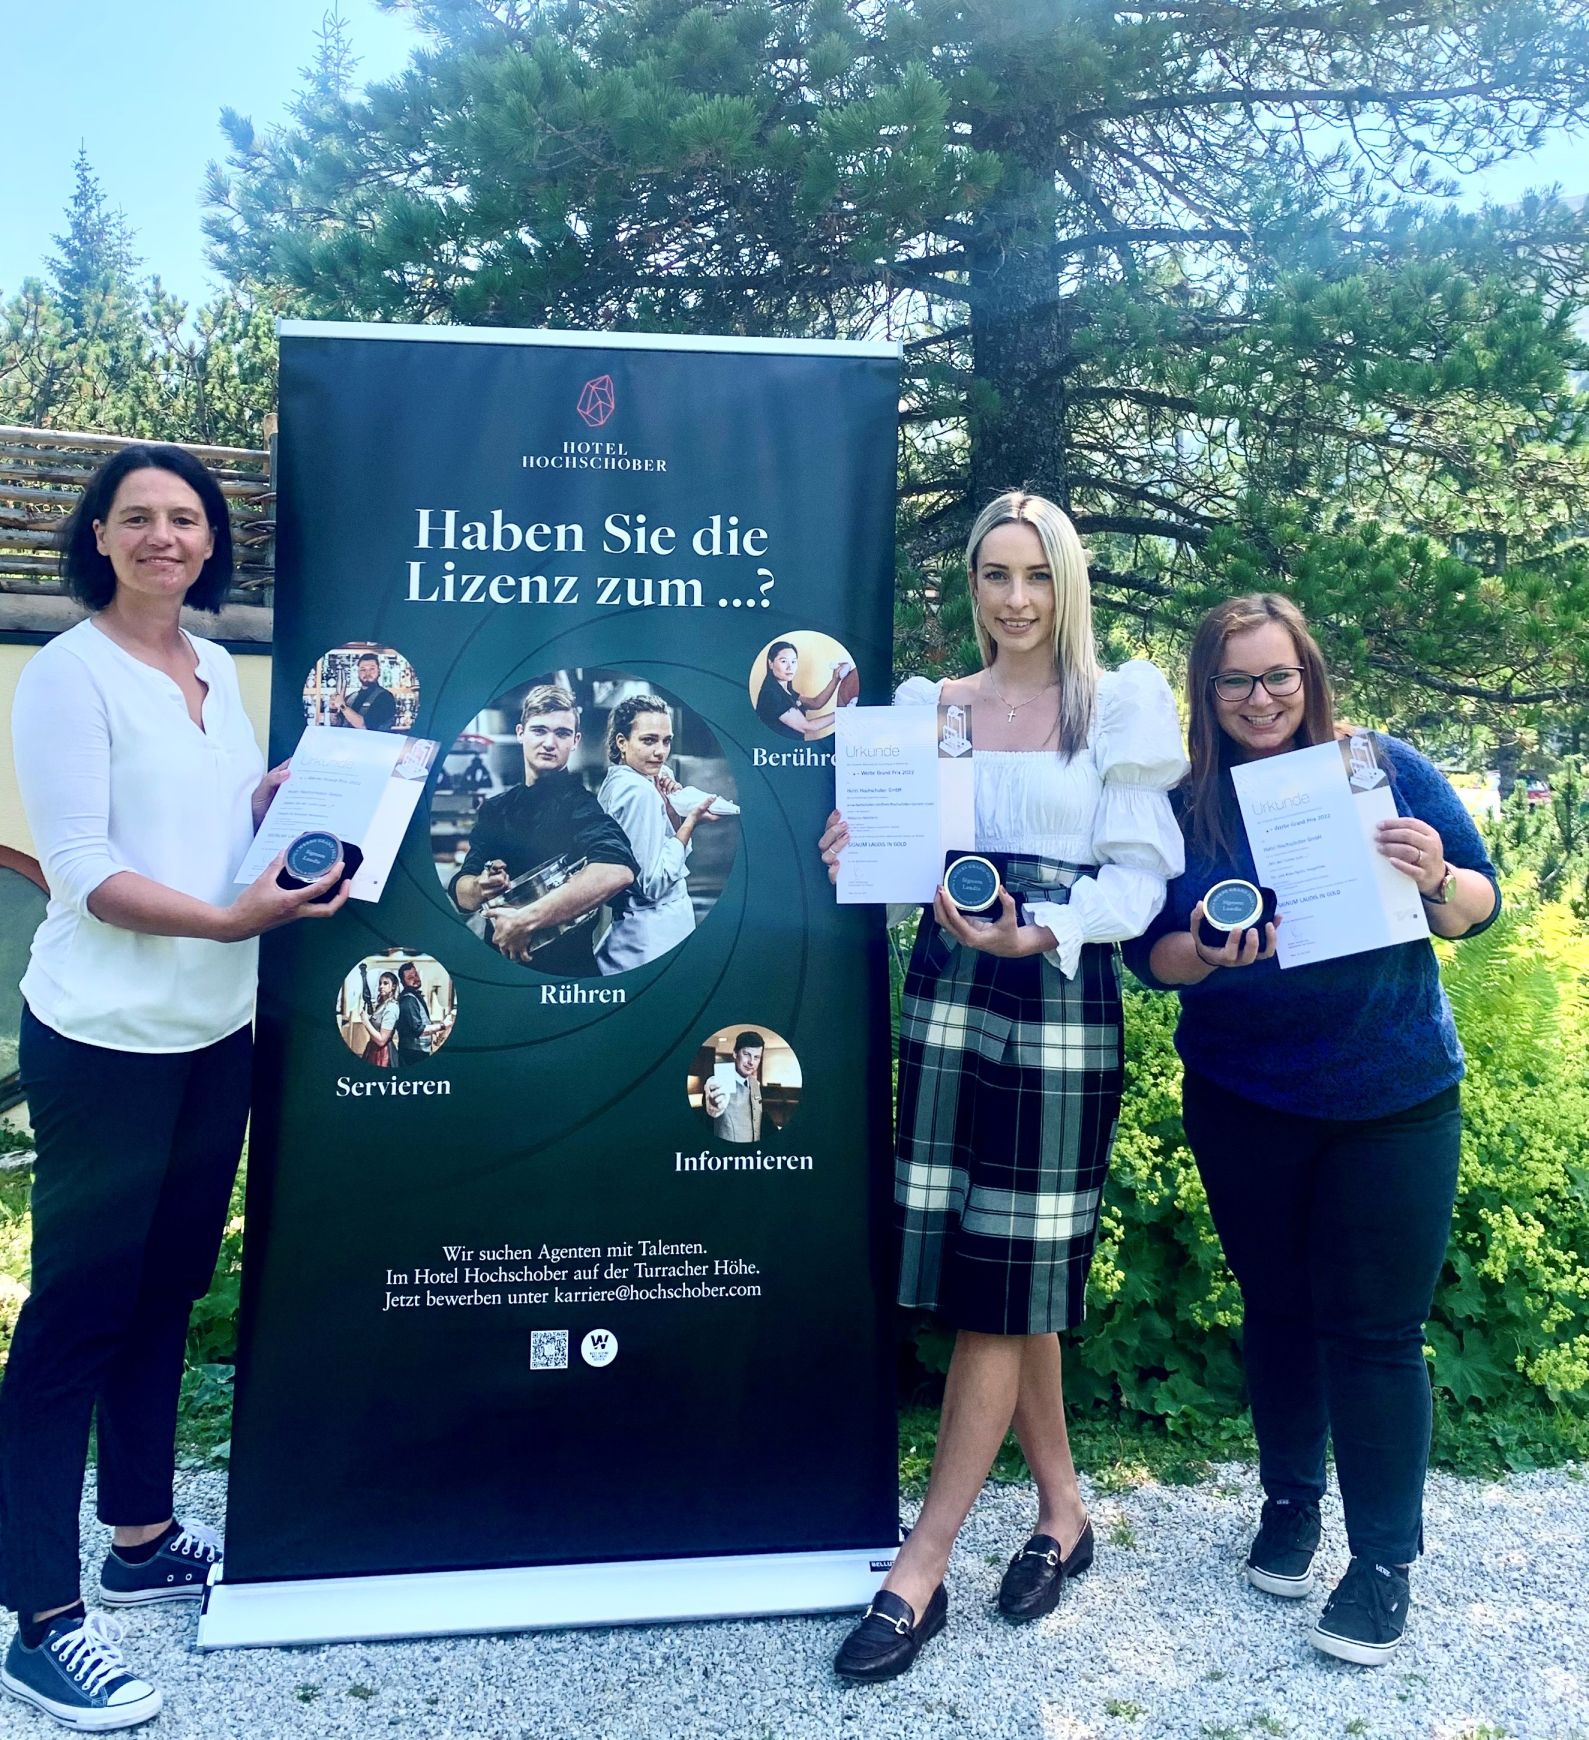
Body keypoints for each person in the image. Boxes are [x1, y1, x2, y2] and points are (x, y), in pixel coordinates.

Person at [2, 443, 349, 1731]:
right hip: (104, 1039)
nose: (164, 536)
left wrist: (274, 803)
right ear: (96, 535)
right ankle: (39, 1619)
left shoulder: (210, 667)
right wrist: (231, 919)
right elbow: (86, 870)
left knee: (164, 1293)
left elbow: (204, 831)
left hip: (214, 1036)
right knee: (75, 1319)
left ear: (212, 542)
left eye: (186, 518)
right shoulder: (69, 674)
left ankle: (139, 1539)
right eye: (137, 516)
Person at [818, 490, 1186, 1680]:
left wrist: (1043, 928)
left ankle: (917, 1571)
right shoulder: (932, 708)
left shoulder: (1115, 705)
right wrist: (860, 850)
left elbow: (1138, 884)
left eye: (1036, 575)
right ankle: (1062, 1514)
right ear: (970, 583)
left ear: (1066, 581)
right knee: (998, 1268)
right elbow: (910, 865)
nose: (1016, 599)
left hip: (1055, 989)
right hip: (946, 990)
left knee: (1001, 1284)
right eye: (994, 574)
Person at [1120, 593, 1500, 1668]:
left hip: (1393, 1098)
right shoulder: (1180, 803)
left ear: (1309, 676)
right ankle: (1290, 1504)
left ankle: (1381, 1565)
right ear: (1205, 692)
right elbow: (1146, 957)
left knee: (1375, 1333)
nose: (1259, 699)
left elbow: (1480, 908)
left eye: (1277, 675)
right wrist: (1202, 952)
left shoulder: (1380, 768)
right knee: (1277, 1311)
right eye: (1234, 681)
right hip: (1244, 1097)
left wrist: (1436, 876)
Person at [449, 685, 639, 977]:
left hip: (566, 977)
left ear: (575, 741)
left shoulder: (580, 805)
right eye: (539, 730)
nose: (550, 743)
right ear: (520, 732)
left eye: (562, 733)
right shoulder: (495, 809)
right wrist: (480, 885)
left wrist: (525, 920)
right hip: (498, 972)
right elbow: (462, 892)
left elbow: (617, 870)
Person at [595, 695, 722, 974]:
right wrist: (690, 823)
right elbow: (651, 885)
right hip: (652, 935)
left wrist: (671, 810)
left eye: (666, 741)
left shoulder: (623, 780)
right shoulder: (639, 792)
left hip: (645, 931)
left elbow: (653, 852)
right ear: (621, 742)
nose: (661, 752)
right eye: (649, 740)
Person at [754, 640, 854, 739]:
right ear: (770, 663)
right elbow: (807, 727)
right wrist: (845, 712)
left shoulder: (787, 691)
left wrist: (835, 679)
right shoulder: (771, 695)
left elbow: (815, 703)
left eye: (793, 661)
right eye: (783, 661)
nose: (790, 667)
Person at [703, 1031, 764, 1143]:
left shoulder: (755, 1084)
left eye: (756, 1057)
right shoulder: (719, 1080)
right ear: (735, 1054)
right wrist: (713, 1104)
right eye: (746, 1054)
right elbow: (713, 1109)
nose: (751, 1062)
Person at [326, 651, 397, 731]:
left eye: (372, 669)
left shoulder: (385, 697)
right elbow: (336, 724)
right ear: (358, 673)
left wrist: (343, 707)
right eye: (363, 669)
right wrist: (333, 709)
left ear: (379, 671)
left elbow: (365, 726)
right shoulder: (350, 697)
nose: (367, 673)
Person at [394, 962, 440, 1069]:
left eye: (416, 975)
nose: (415, 979)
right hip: (413, 1053)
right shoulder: (408, 999)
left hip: (417, 1051)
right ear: (403, 982)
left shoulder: (413, 996)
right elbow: (418, 1029)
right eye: (410, 977)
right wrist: (442, 1026)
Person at [361, 970, 401, 1070]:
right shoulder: (382, 1005)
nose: (381, 986)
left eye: (385, 983)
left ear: (393, 986)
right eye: (380, 983)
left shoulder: (391, 1007)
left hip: (383, 1054)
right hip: (373, 1049)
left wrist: (366, 1021)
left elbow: (382, 1040)